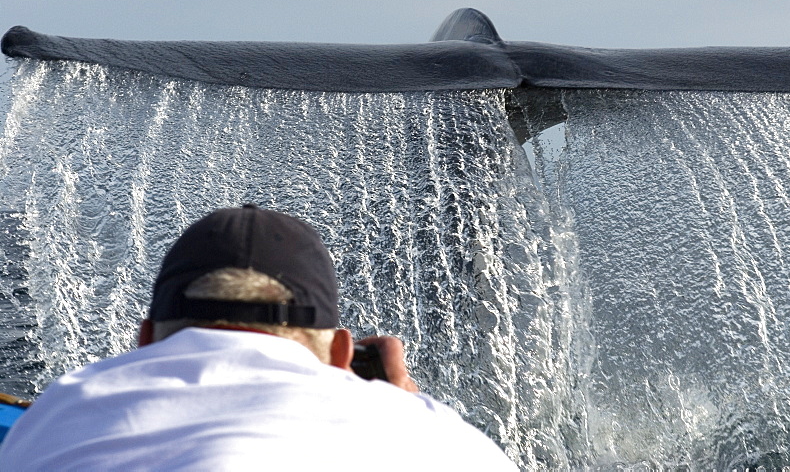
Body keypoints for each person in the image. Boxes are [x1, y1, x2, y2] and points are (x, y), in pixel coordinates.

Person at [0, 204, 516, 470]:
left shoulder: (62, 410)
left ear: (145, 340)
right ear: (340, 352)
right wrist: (410, 405)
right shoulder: (429, 439)